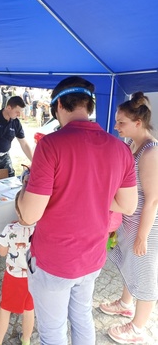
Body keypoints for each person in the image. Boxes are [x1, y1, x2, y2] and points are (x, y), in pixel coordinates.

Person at [17, 76, 138, 345]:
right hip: (92, 257)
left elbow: (29, 214)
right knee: (82, 316)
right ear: (90, 106)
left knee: (53, 331)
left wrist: (25, 186)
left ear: (59, 105)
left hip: (55, 260)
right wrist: (91, 195)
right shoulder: (120, 148)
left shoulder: (50, 145)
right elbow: (128, 205)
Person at [99, 92, 158, 344]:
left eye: (121, 122)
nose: (115, 126)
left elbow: (153, 199)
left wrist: (143, 237)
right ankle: (125, 303)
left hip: (146, 226)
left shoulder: (150, 151)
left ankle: (138, 328)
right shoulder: (133, 144)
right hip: (129, 221)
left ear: (138, 123)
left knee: (145, 274)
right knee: (126, 264)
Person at [0, 191, 36, 345]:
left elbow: (2, 253)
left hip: (14, 278)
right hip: (34, 278)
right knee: (29, 309)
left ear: (17, 210)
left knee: (5, 308)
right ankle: (26, 341)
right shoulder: (40, 228)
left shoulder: (10, 228)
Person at [0, 96, 33, 180]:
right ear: (9, 108)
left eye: (20, 112)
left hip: (5, 157)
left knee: (11, 183)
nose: (19, 115)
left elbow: (24, 143)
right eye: (17, 112)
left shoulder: (16, 123)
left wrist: (34, 161)